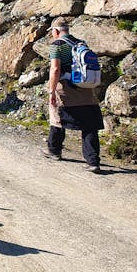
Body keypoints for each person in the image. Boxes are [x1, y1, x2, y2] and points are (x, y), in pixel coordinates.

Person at [41, 17, 104, 173]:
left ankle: (54, 150)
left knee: (57, 118)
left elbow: (55, 69)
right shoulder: (80, 43)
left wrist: (51, 91)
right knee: (89, 126)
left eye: (52, 33)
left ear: (55, 31)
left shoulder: (57, 45)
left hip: (66, 89)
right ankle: (93, 161)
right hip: (85, 87)